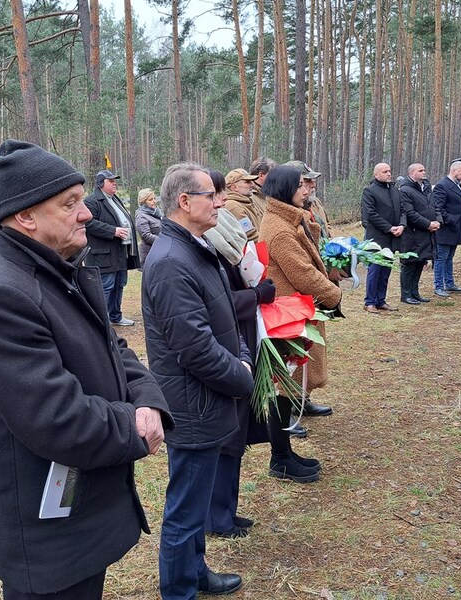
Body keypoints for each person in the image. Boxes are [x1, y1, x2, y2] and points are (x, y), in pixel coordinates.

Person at [0, 140, 172, 600]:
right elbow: (57, 418)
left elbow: (114, 349)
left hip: (79, 512)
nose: (87, 213)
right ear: (26, 217)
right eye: (69, 203)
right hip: (46, 534)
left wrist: (149, 400)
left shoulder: (58, 269)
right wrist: (135, 427)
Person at [142, 162, 254, 599]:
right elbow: (195, 348)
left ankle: (195, 572)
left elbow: (224, 320)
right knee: (185, 510)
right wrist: (242, 377)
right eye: (213, 195)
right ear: (185, 202)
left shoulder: (192, 246)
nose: (222, 201)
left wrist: (243, 356)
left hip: (207, 398)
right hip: (192, 405)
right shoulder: (171, 260)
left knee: (195, 501)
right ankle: (179, 590)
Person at [259, 165, 342, 479]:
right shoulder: (279, 228)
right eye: (300, 185)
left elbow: (307, 257)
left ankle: (284, 453)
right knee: (283, 388)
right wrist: (333, 294)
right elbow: (302, 273)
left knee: (287, 387)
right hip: (287, 316)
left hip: (291, 313)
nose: (306, 189)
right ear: (284, 189)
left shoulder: (285, 219)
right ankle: (280, 458)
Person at [203, 169, 273, 539]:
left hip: (241, 338)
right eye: (214, 194)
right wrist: (257, 296)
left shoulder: (225, 231)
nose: (219, 202)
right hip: (226, 347)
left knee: (237, 434)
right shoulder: (203, 245)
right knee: (225, 439)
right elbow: (217, 303)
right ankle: (217, 516)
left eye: (218, 194)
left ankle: (226, 511)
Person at [84, 169, 140, 326]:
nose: (115, 183)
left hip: (120, 252)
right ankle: (101, 321)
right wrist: (113, 231)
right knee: (106, 287)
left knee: (119, 284)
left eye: (115, 180)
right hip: (103, 254)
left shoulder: (114, 199)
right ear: (101, 184)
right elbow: (88, 223)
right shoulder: (91, 201)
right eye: (111, 181)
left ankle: (115, 316)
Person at [361, 162, 405, 313]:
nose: (388, 174)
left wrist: (401, 225)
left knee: (386, 270)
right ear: (376, 174)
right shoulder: (370, 191)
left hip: (393, 238)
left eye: (389, 171)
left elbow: (403, 210)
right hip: (377, 238)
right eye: (385, 171)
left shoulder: (395, 190)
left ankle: (381, 300)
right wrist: (389, 227)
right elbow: (370, 214)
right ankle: (369, 302)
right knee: (375, 270)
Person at [399, 163, 439, 305]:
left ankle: (415, 293)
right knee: (409, 264)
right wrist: (428, 224)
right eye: (420, 170)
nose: (424, 172)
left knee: (420, 261)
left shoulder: (426, 187)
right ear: (411, 173)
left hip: (426, 233)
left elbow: (432, 206)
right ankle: (406, 294)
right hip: (412, 233)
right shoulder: (405, 190)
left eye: (424, 169)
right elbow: (410, 213)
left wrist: (436, 221)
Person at [432, 161, 461, 297]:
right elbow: (438, 208)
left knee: (449, 258)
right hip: (446, 229)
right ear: (454, 171)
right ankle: (438, 285)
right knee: (441, 258)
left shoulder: (458, 185)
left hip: (456, 229)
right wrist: (452, 220)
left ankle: (449, 283)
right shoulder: (442, 186)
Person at [283, 160, 331, 240]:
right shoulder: (287, 212)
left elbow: (327, 225)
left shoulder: (315, 202)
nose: (313, 185)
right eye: (307, 181)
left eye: (313, 180)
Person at [225, 167, 263, 241]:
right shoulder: (233, 206)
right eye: (247, 182)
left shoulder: (247, 202)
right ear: (235, 187)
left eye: (251, 181)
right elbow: (250, 236)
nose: (252, 184)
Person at [134, 187, 162, 268]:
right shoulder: (141, 216)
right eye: (150, 199)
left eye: (154, 198)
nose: (154, 201)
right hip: (149, 254)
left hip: (160, 252)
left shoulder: (157, 213)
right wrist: (163, 241)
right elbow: (146, 235)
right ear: (143, 202)